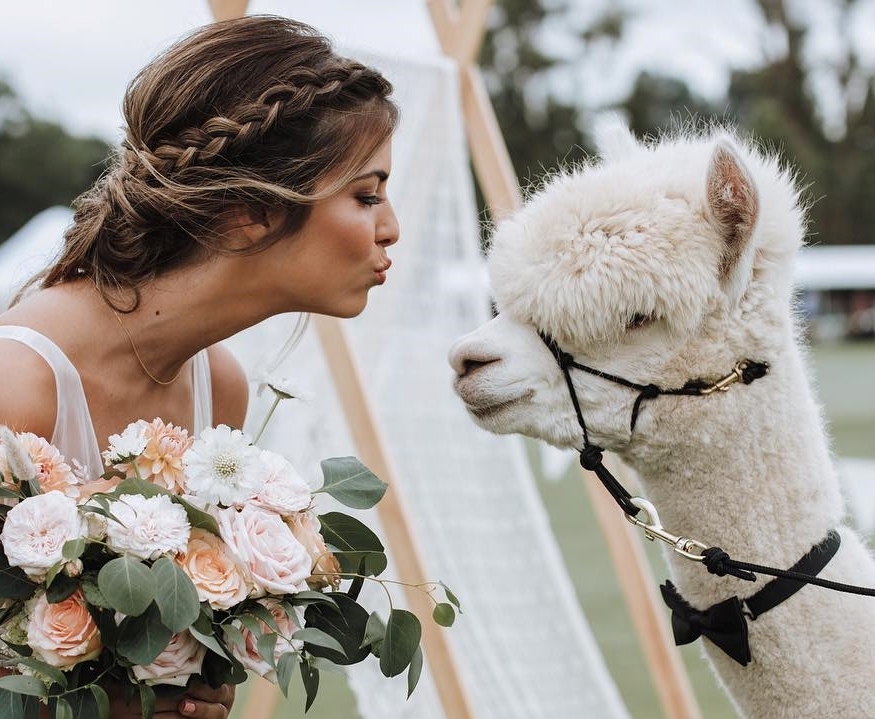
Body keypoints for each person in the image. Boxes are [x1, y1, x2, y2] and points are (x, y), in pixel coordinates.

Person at [0, 14, 399, 718]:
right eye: (365, 195)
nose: (389, 227)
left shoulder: (221, 385)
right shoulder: (18, 383)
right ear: (250, 210)